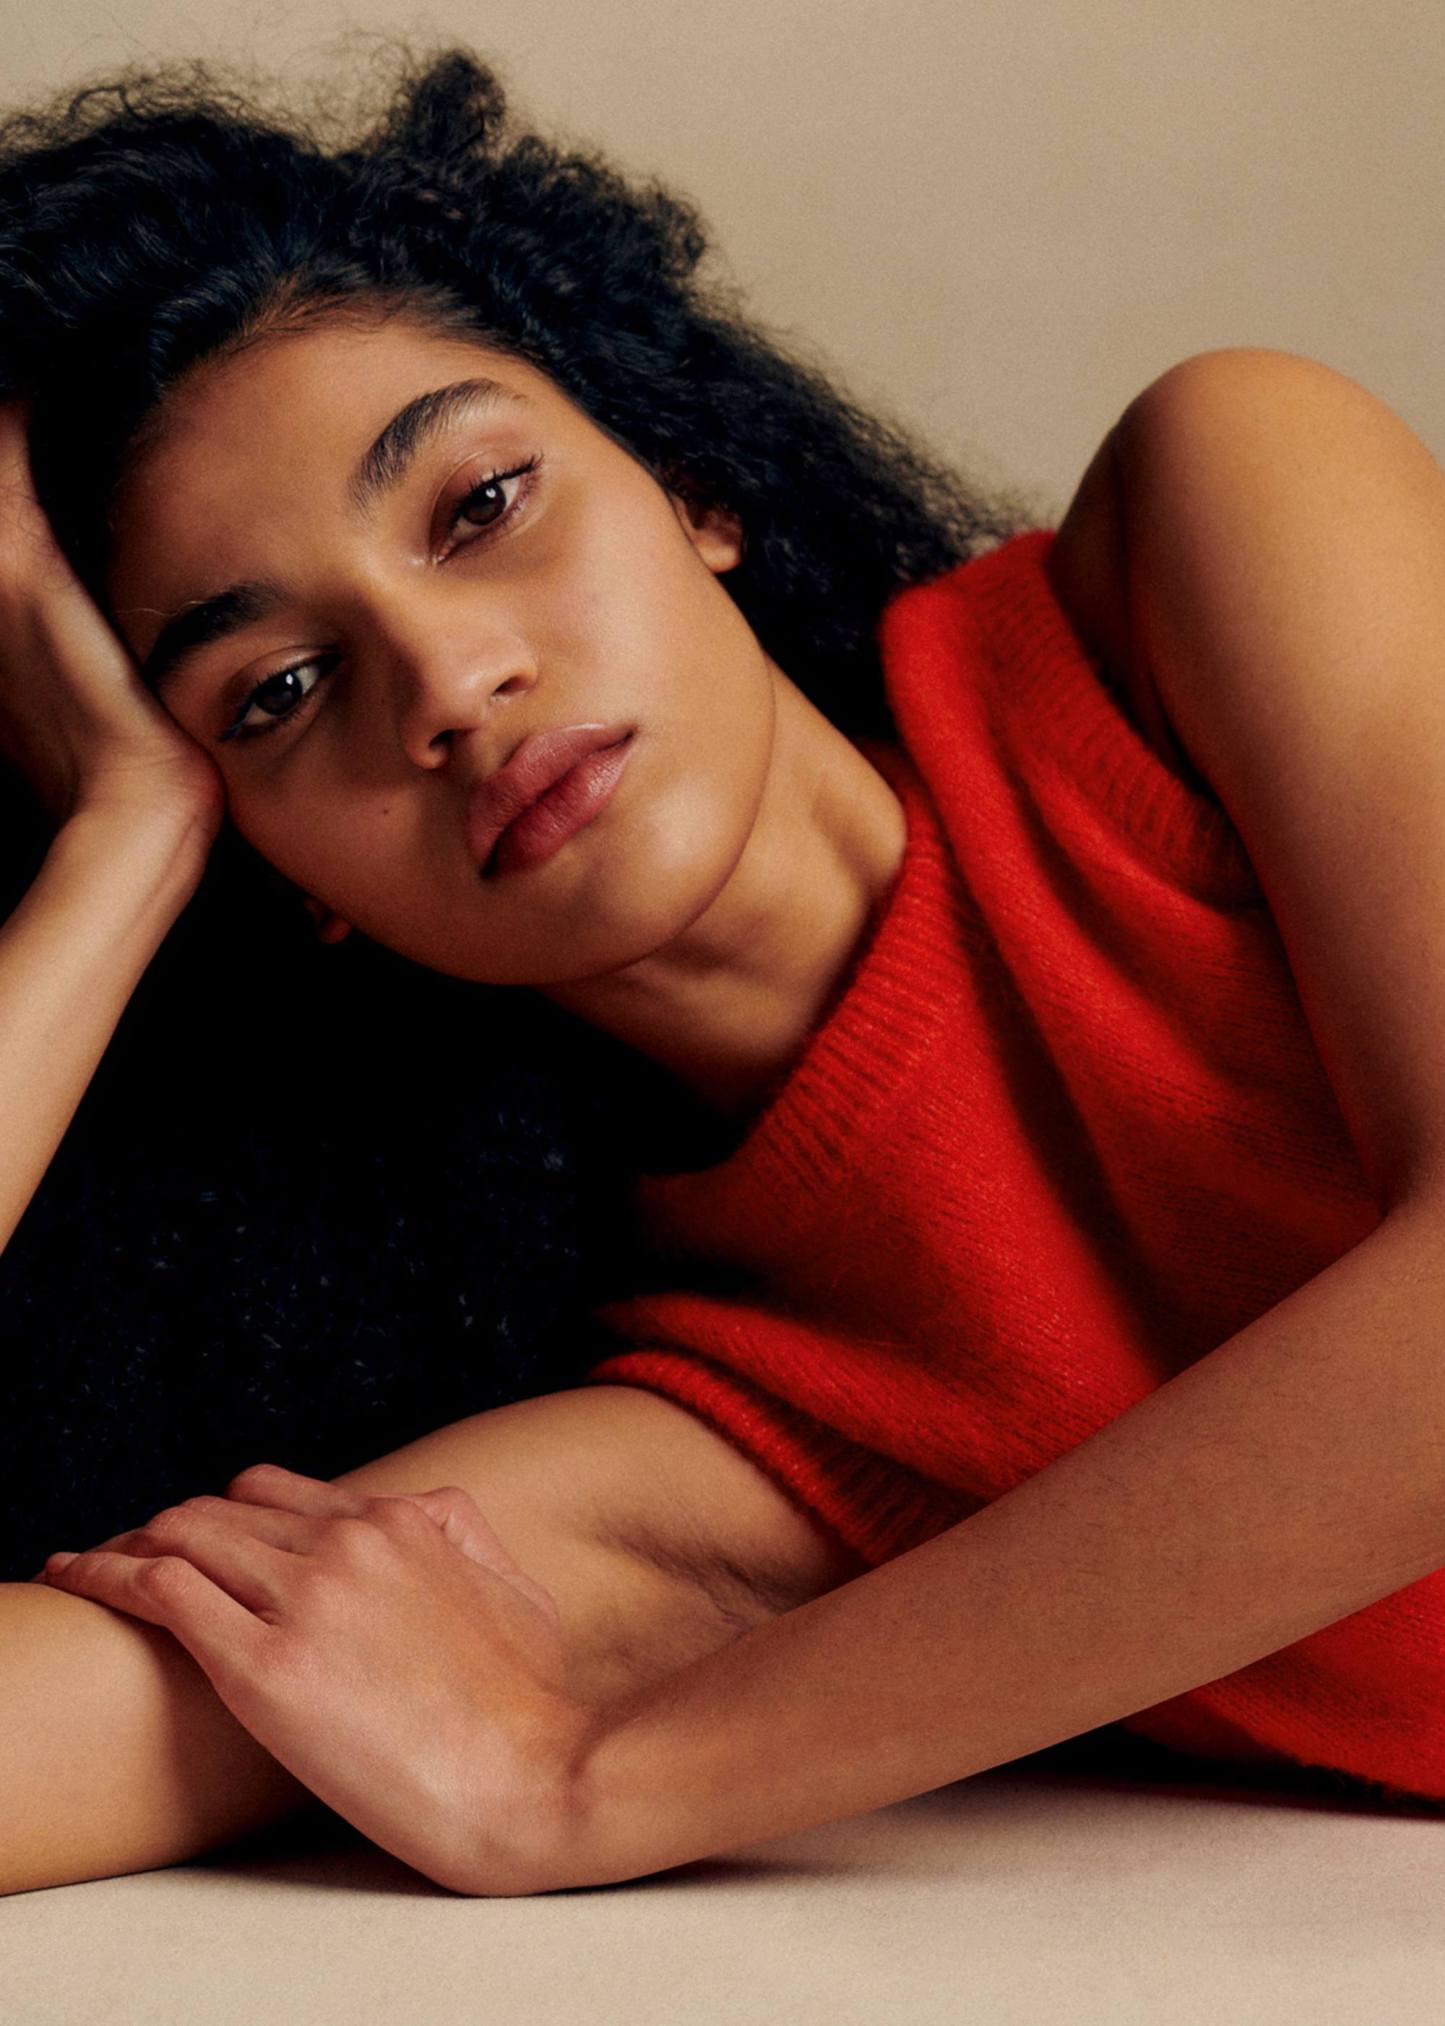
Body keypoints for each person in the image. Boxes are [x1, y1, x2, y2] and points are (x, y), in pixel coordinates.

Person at [3, 38, 1444, 1901]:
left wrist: (587, 1783)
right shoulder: (723, 1420)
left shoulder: (1202, 553)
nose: (449, 683)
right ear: (282, 880)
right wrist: (118, 852)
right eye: (277, 691)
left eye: (480, 506)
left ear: (688, 480)